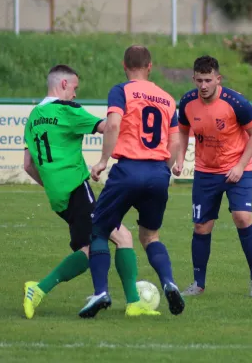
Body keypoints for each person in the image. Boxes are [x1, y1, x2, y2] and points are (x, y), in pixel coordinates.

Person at [22, 64, 148, 319]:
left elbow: (27, 165)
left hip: (58, 196)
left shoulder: (34, 116)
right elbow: (108, 127)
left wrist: (51, 185)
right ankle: (39, 288)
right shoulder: (67, 110)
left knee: (104, 243)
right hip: (77, 189)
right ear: (64, 84)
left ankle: (130, 303)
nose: (76, 95)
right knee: (113, 239)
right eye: (75, 88)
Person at [78, 45, 185, 318]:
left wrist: (103, 161)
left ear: (124, 66)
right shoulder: (167, 98)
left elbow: (113, 124)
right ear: (150, 66)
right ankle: (169, 282)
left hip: (128, 170)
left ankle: (101, 291)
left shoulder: (122, 90)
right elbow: (175, 141)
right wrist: (164, 170)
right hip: (158, 173)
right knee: (150, 236)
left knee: (99, 231)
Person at [172, 55, 252, 298]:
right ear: (193, 79)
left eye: (208, 80)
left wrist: (240, 165)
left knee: (242, 217)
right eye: (199, 80)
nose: (203, 86)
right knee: (201, 226)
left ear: (218, 79)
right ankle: (198, 284)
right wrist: (180, 158)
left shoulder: (236, 102)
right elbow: (182, 130)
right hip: (205, 171)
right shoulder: (188, 102)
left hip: (237, 169)